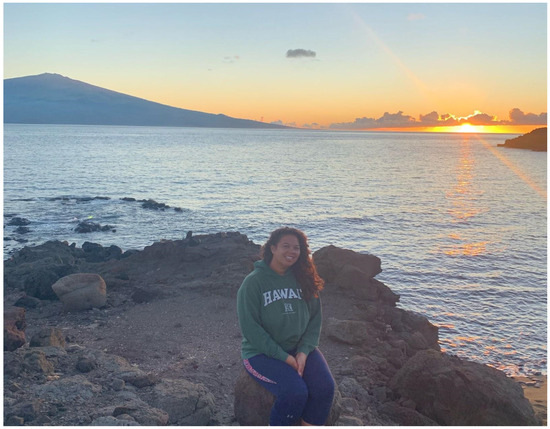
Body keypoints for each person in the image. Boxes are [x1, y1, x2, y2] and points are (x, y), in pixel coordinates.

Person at [237, 227, 335, 426]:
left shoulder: (304, 278)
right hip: (261, 353)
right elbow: (251, 329)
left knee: (325, 389)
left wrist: (304, 351)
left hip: (298, 347)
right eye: (286, 246)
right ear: (273, 248)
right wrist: (285, 358)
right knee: (295, 392)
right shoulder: (253, 283)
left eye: (296, 247)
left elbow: (315, 319)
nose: (292, 251)